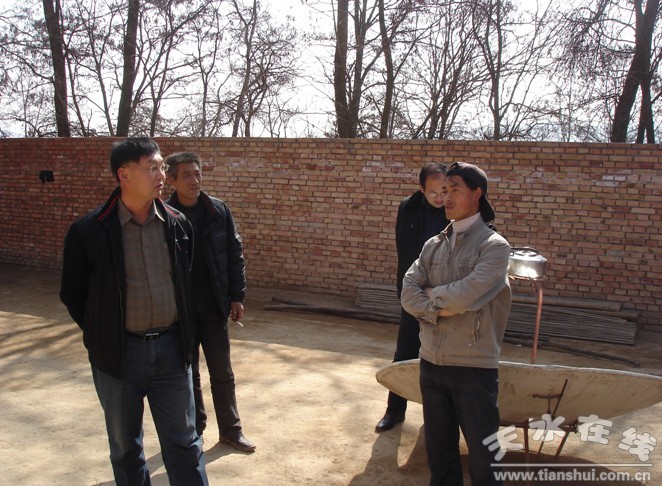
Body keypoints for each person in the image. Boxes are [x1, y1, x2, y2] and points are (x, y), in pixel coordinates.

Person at [59, 138, 208, 485]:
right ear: (123, 175)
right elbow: (73, 294)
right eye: (152, 168)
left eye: (161, 167)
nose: (162, 175)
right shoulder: (90, 231)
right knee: (126, 448)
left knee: (185, 443)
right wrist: (104, 333)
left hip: (172, 352)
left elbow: (186, 284)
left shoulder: (177, 225)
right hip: (118, 356)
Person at [401, 162, 511, 485]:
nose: (446, 197)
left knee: (484, 460)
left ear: (477, 194)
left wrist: (431, 296)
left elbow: (467, 294)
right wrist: (440, 309)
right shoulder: (432, 245)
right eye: (443, 191)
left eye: (454, 190)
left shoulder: (494, 247)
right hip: (431, 363)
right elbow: (408, 293)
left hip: (473, 367)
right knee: (440, 457)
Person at [165, 151, 255, 453]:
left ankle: (231, 431)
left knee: (222, 373)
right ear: (172, 180)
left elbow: (234, 255)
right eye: (186, 175)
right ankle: (196, 431)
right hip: (181, 311)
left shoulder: (218, 210)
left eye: (197, 173)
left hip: (214, 306)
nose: (194, 180)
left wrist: (236, 296)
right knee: (188, 373)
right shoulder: (164, 216)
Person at [376, 162, 448, 432]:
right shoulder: (408, 208)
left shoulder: (455, 210)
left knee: (443, 357)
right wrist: (410, 291)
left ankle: (439, 416)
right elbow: (405, 253)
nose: (440, 198)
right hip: (415, 290)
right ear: (421, 189)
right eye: (433, 193)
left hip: (446, 294)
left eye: (443, 191)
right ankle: (395, 410)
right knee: (405, 352)